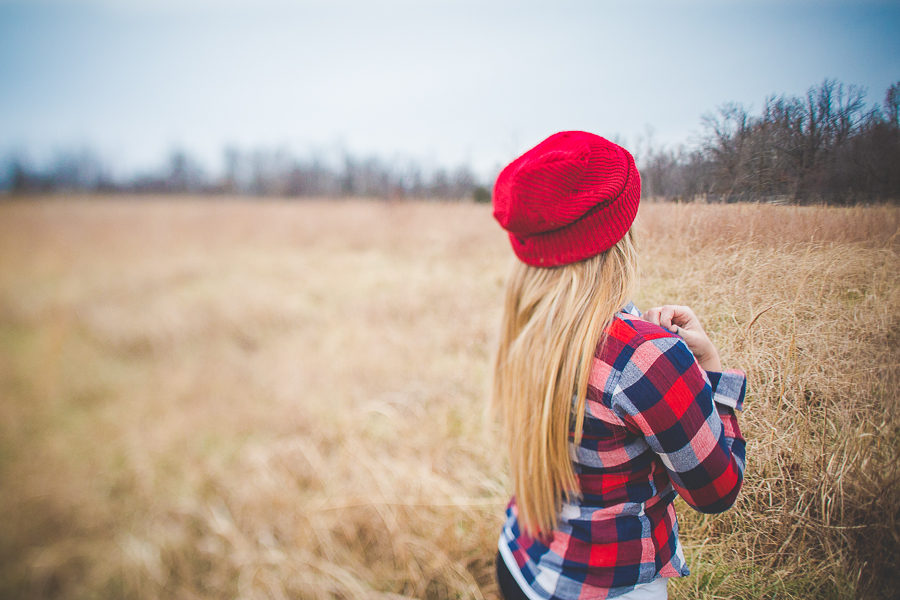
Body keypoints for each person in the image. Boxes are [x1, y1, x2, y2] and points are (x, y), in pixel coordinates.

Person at [490, 131, 746, 600]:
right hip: (605, 588)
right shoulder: (645, 357)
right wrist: (708, 365)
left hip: (521, 564)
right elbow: (717, 490)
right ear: (621, 231)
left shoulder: (524, 326)